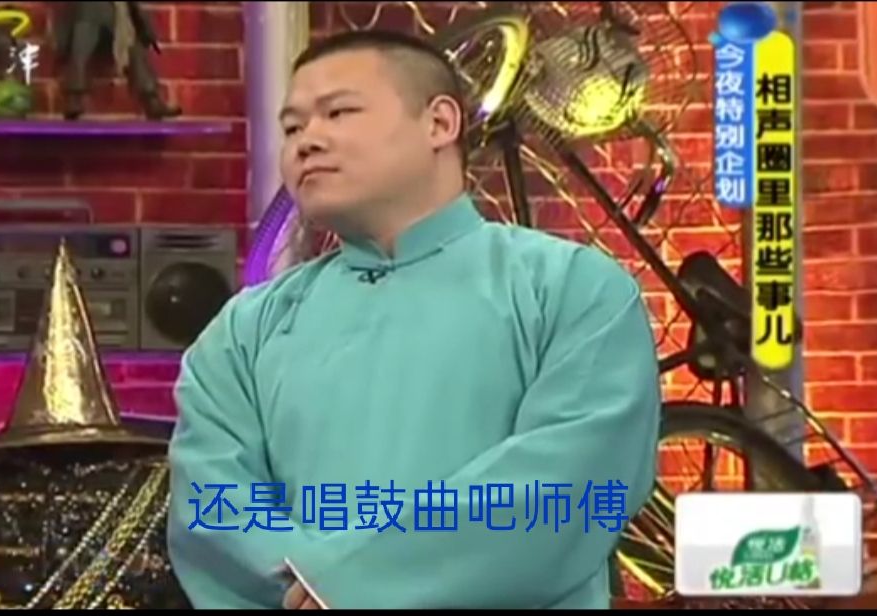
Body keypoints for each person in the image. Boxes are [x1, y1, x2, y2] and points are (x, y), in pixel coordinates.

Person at [167, 28, 662, 609]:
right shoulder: (244, 330)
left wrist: (345, 582)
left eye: (339, 113)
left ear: (439, 123)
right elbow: (212, 502)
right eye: (293, 128)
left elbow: (571, 485)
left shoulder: (574, 289)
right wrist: (315, 587)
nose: (307, 142)